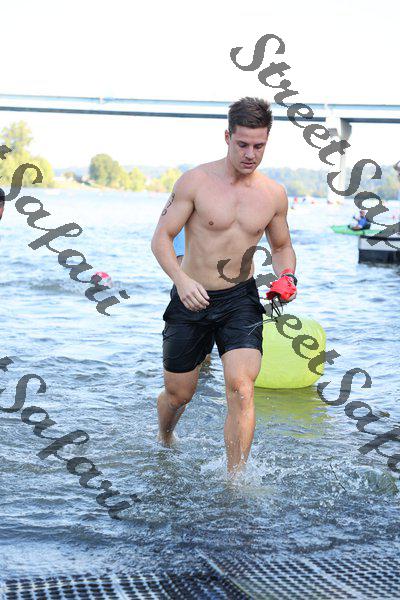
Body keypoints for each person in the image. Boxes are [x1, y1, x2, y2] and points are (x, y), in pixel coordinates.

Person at [151, 96, 297, 474]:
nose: (250, 154)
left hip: (240, 299)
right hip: (192, 296)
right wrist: (181, 280)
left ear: (267, 141)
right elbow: (162, 238)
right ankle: (165, 436)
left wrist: (287, 277)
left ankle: (236, 480)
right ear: (228, 137)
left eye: (259, 146)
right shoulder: (195, 182)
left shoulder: (273, 194)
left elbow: (282, 247)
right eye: (243, 144)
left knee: (241, 388)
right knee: (179, 394)